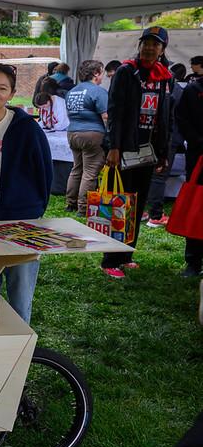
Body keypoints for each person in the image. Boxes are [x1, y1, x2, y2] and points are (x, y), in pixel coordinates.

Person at [0, 63, 52, 323]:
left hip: (21, 221)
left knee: (20, 290)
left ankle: (19, 344)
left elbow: (44, 173)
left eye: (2, 88)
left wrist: (32, 211)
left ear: (11, 94)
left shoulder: (27, 128)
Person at [100, 26, 173, 279]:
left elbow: (166, 116)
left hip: (148, 151)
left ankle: (127, 254)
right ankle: (110, 259)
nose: (149, 48)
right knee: (122, 204)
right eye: (146, 43)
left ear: (163, 49)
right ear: (140, 45)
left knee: (138, 204)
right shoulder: (126, 72)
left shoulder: (165, 77)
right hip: (125, 149)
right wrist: (114, 146)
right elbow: (115, 111)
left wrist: (163, 153)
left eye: (156, 44)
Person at [64, 59, 109, 216]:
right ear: (96, 73)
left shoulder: (72, 91)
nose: (102, 76)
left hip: (72, 132)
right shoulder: (98, 91)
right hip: (92, 134)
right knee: (90, 172)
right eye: (102, 72)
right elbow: (106, 116)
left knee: (77, 168)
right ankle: (83, 208)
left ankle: (71, 203)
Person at [145, 63, 187, 227]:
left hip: (150, 136)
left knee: (148, 175)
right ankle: (155, 215)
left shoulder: (153, 87)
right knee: (158, 176)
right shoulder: (174, 89)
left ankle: (143, 211)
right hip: (166, 137)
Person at [175, 74, 203, 277]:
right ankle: (193, 261)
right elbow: (181, 118)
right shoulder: (193, 90)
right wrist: (197, 141)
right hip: (199, 157)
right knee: (196, 206)